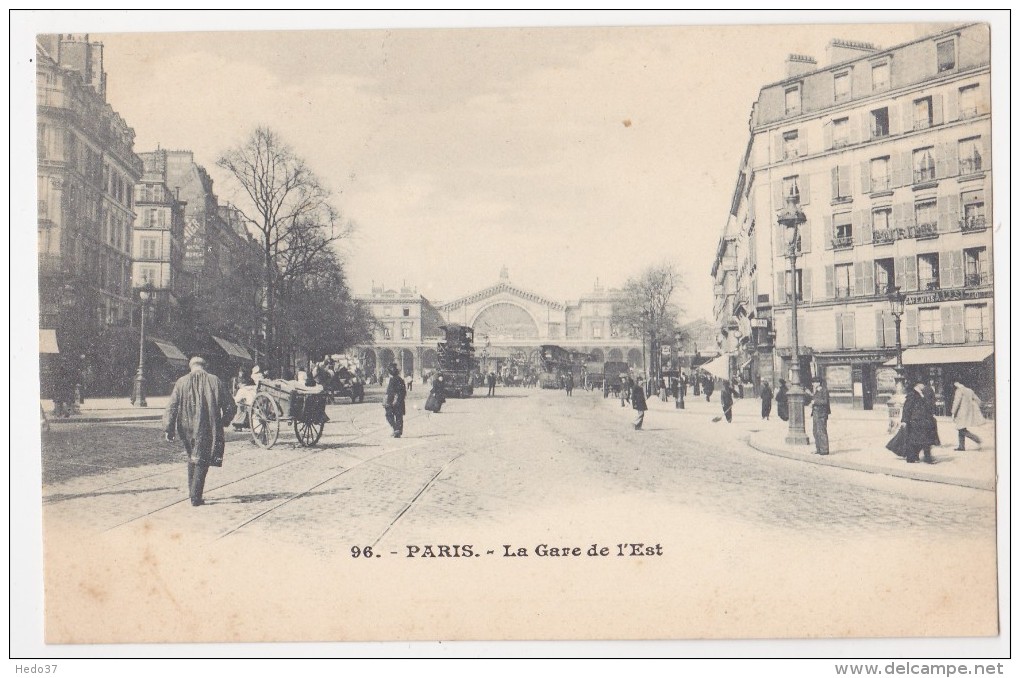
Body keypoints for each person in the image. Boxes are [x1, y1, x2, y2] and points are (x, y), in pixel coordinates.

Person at [163, 356, 237, 507]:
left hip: (186, 427)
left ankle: (193, 492)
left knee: (192, 456)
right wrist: (224, 421)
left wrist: (169, 428)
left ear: (191, 367)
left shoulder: (181, 382)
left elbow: (172, 406)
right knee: (202, 459)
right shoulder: (215, 381)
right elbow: (231, 405)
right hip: (207, 426)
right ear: (205, 366)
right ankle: (195, 497)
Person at [900, 381, 939, 464]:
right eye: (921, 384)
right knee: (917, 441)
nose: (923, 386)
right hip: (915, 421)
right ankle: (915, 458)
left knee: (923, 440)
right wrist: (904, 420)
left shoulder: (922, 394)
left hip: (923, 420)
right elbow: (907, 408)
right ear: (917, 385)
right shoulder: (912, 394)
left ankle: (921, 458)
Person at [951, 381, 985, 451]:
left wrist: (953, 412)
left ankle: (977, 439)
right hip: (968, 413)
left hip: (961, 413)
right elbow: (978, 400)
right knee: (961, 428)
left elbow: (956, 402)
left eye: (955, 383)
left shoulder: (959, 391)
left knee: (961, 429)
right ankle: (961, 446)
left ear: (957, 383)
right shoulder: (969, 390)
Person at [384, 362, 407, 438]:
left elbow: (390, 392)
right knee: (399, 416)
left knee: (388, 415)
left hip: (392, 401)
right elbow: (404, 391)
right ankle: (398, 431)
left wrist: (390, 401)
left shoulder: (393, 380)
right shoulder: (400, 379)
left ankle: (396, 429)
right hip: (399, 401)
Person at [810, 377, 831, 455]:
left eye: (814, 382)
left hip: (821, 414)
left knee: (821, 431)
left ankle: (824, 450)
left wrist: (815, 402)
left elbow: (825, 402)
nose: (813, 384)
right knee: (815, 431)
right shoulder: (816, 391)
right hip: (816, 413)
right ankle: (818, 449)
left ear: (818, 383)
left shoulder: (824, 390)